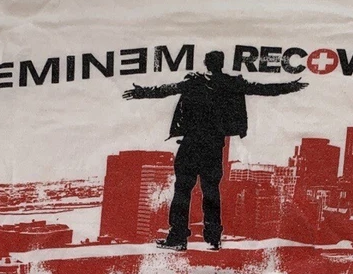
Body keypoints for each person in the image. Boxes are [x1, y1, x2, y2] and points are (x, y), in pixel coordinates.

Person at [123, 50, 307, 249]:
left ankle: (178, 238)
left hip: (191, 144)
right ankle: (213, 239)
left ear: (206, 62)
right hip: (214, 146)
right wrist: (290, 86)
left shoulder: (194, 81)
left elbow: (165, 90)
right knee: (211, 191)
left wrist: (141, 92)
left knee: (182, 191)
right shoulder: (231, 83)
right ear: (221, 63)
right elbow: (262, 89)